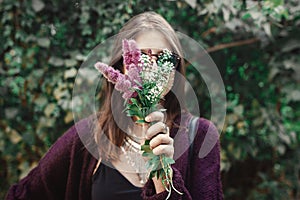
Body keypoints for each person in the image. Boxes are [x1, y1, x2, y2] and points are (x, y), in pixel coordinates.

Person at [5, 11, 223, 200]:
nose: (154, 66)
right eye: (142, 56)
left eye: (165, 58)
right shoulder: (89, 136)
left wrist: (163, 175)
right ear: (123, 64)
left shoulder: (201, 136)